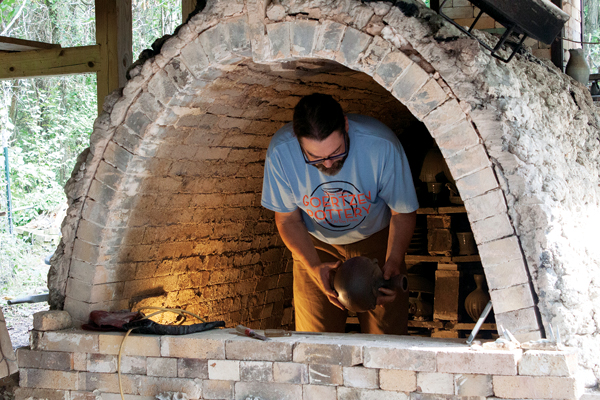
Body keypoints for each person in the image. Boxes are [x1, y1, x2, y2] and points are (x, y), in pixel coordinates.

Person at [261, 93, 418, 334]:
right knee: (315, 343)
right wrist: (313, 267)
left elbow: (402, 212)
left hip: (377, 242)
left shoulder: (380, 145)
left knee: (387, 340)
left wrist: (394, 261)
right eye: (314, 157)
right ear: (297, 139)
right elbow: (287, 219)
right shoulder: (281, 153)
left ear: (345, 126)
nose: (327, 164)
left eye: (336, 152)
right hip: (316, 246)